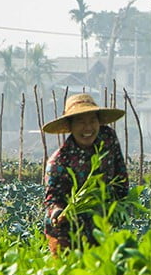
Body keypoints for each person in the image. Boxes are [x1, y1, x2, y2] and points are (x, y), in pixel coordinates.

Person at [42, 93, 129, 254]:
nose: (88, 128)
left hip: (100, 221)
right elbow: (52, 199)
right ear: (70, 126)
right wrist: (57, 212)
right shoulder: (59, 161)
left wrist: (120, 204)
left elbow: (120, 174)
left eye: (92, 121)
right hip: (66, 230)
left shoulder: (107, 138)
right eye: (81, 122)